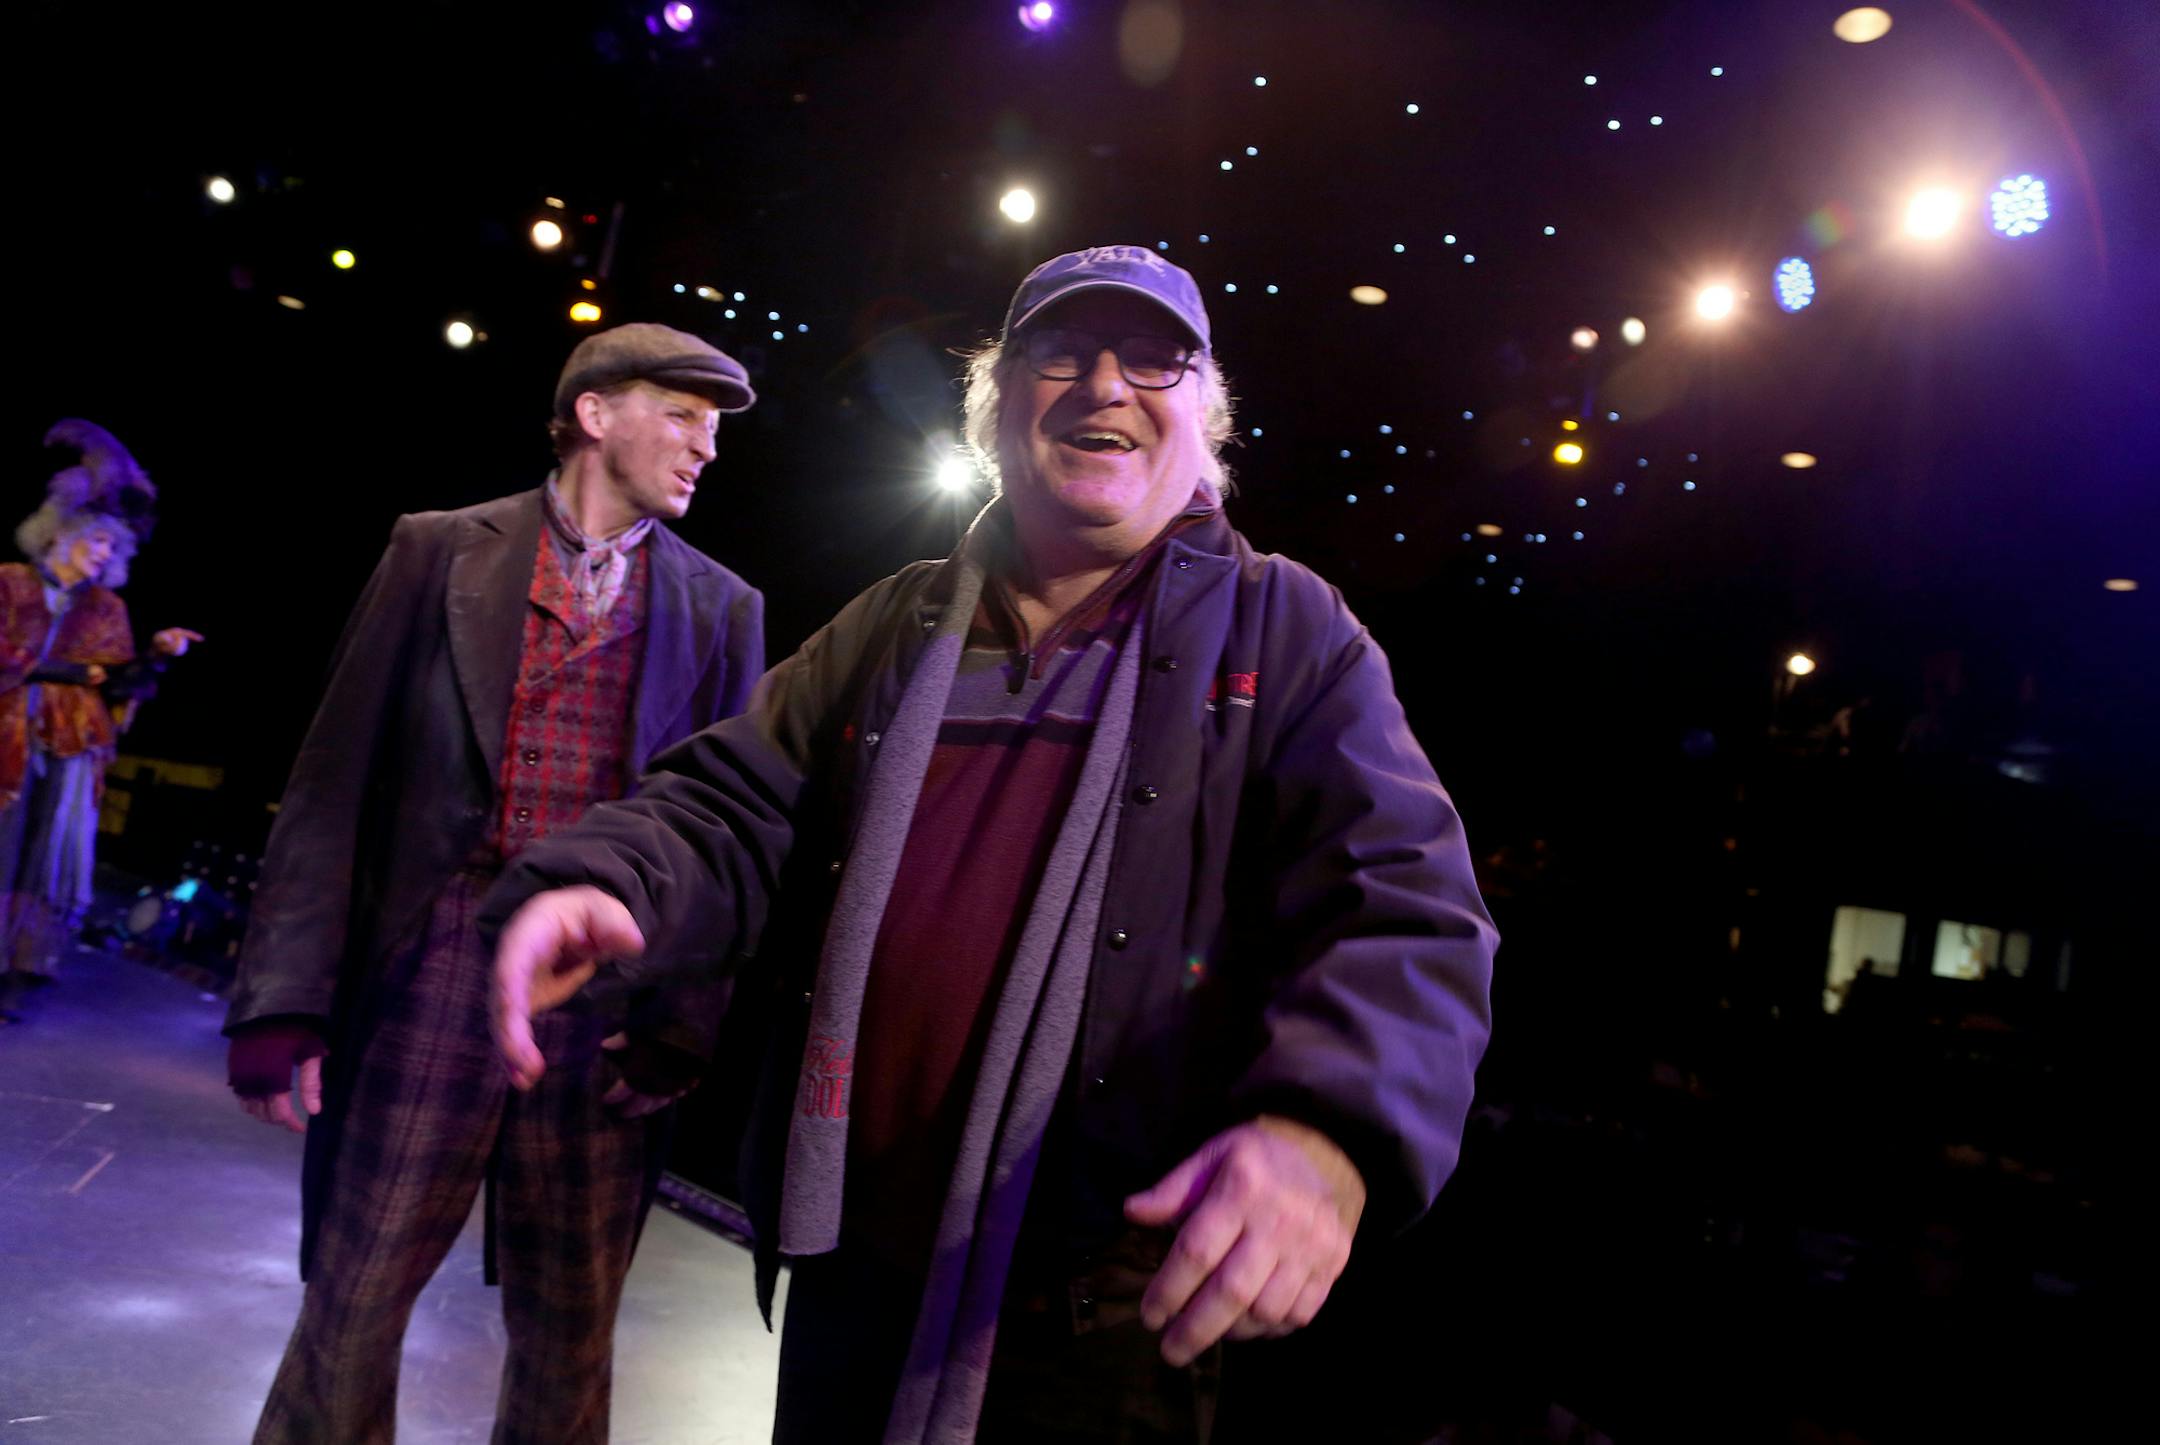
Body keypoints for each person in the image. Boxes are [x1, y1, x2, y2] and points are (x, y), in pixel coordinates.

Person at [486, 248, 1498, 1442]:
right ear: (999, 405)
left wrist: (1328, 1129)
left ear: (1204, 412)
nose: (1106, 385)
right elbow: (729, 799)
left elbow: (1408, 903)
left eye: (1153, 356)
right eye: (1061, 354)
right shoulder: (896, 617)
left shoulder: (1291, 627)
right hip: (851, 1261)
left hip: (1102, 1307)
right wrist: (606, 878)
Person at [223, 323, 766, 1444]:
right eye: (682, 414)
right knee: (354, 1298)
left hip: (599, 1000)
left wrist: (680, 1022)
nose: (706, 446)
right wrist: (282, 997)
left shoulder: (723, 608)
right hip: (436, 965)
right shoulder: (438, 550)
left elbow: (726, 836)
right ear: (594, 413)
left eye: (714, 428)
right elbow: (335, 779)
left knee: (570, 1333)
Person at [0, 419, 199, 1021]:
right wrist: (59, 674)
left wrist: (157, 655)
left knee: (45, 852)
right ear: (61, 535)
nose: (105, 553)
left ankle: (19, 964)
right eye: (97, 541)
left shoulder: (107, 609)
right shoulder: (10, 584)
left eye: (115, 546)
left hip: (70, 746)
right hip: (9, 733)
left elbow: (116, 682)